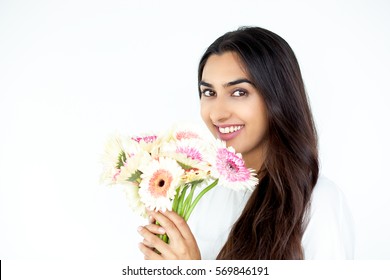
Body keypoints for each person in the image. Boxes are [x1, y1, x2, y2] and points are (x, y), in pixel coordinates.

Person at [137, 26, 355, 259]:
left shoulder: (318, 201)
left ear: (277, 97)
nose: (217, 114)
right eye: (209, 93)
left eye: (239, 92)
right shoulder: (196, 194)